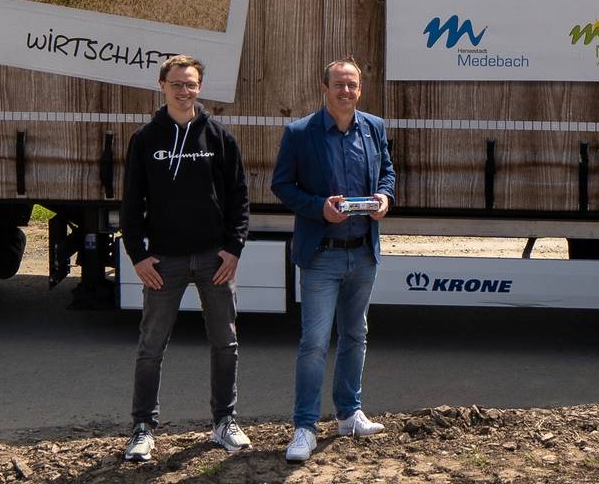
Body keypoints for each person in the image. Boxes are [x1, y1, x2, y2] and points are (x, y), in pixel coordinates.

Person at [119, 55, 253, 462]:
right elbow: (130, 204)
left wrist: (233, 248)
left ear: (199, 87)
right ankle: (143, 427)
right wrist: (139, 255)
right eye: (176, 83)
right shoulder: (145, 140)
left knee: (225, 343)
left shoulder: (218, 136)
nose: (184, 90)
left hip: (214, 258)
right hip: (164, 263)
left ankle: (224, 422)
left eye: (191, 84)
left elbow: (239, 197)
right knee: (150, 347)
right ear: (162, 86)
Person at [270, 59, 395, 464]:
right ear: (324, 87)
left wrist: (384, 199)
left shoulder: (374, 127)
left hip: (362, 252)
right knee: (314, 343)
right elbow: (282, 186)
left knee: (356, 336)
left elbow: (387, 174)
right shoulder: (300, 133)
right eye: (339, 84)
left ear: (361, 89)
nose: (346, 91)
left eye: (353, 85)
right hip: (321, 256)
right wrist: (317, 208)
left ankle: (348, 414)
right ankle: (305, 427)